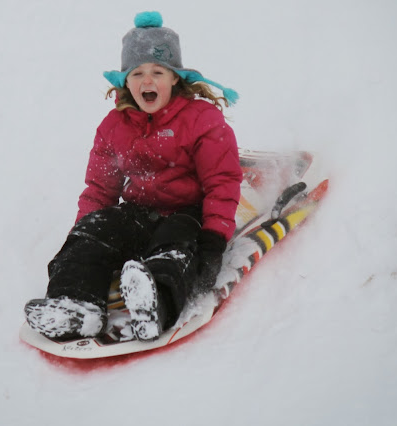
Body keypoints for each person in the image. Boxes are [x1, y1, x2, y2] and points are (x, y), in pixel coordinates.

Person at [24, 11, 242, 342]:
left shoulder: (202, 119)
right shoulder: (114, 127)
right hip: (138, 213)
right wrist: (83, 233)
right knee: (94, 234)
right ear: (125, 81)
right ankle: (75, 305)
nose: (147, 81)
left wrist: (213, 239)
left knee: (174, 245)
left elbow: (222, 181)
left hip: (188, 213)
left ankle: (157, 303)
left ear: (175, 78)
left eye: (158, 71)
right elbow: (99, 189)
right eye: (137, 73)